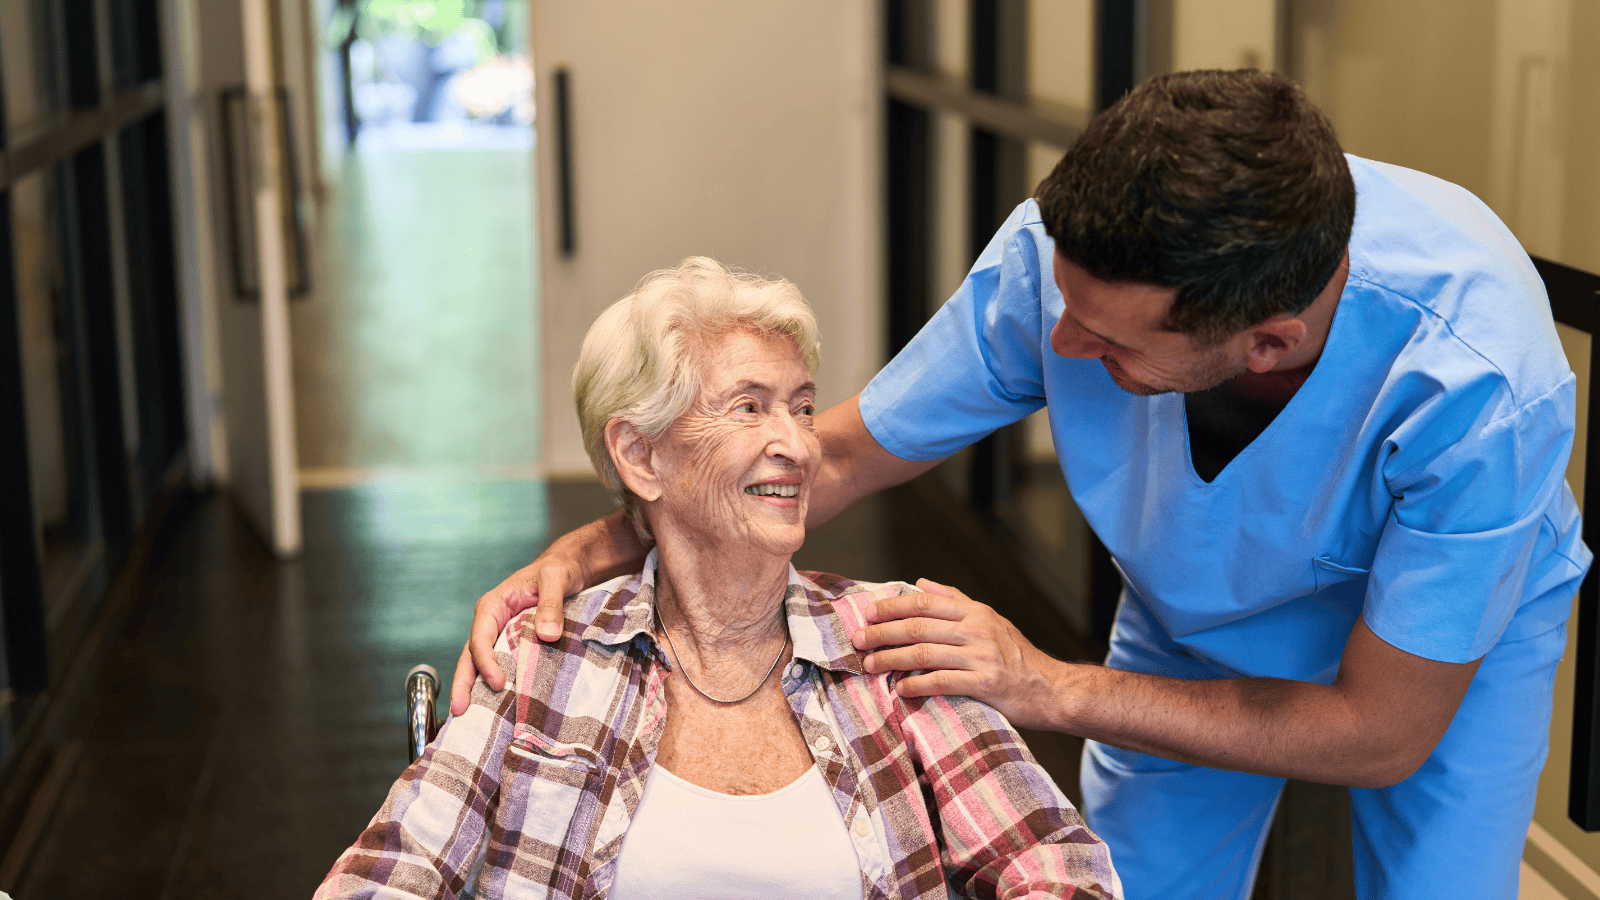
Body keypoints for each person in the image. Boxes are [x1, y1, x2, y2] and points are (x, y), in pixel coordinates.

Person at [451, 70, 1589, 899]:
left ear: (1264, 344)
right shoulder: (1057, 267)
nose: (1059, 347)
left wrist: (1047, 685)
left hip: (1433, 664)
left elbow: (1378, 729)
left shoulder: (1481, 384)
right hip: (1191, 610)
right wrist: (597, 546)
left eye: (1107, 342)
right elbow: (838, 455)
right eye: (1060, 305)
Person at [318, 258, 1122, 899]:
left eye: (803, 408)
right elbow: (387, 876)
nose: (799, 446)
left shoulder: (890, 642)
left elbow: (1056, 861)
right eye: (748, 407)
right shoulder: (545, 660)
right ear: (640, 456)